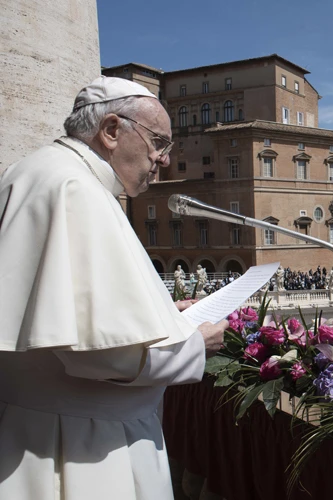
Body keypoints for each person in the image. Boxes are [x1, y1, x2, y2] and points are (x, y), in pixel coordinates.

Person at [0, 76, 228, 499]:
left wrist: (162, 316)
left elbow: (79, 314)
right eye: (159, 142)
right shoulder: (77, 189)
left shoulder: (33, 171)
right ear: (110, 131)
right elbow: (101, 353)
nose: (162, 160)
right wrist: (194, 343)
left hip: (35, 427)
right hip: (83, 449)